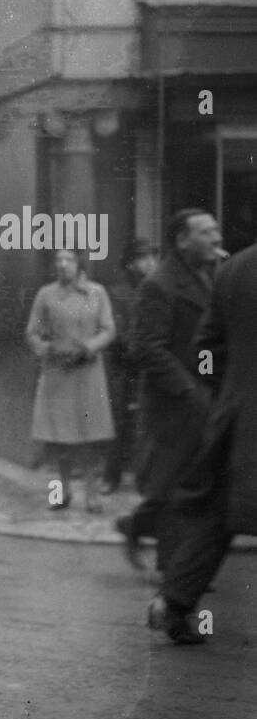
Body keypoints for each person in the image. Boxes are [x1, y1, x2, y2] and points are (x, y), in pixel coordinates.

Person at [148, 236, 257, 644]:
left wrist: (229, 389)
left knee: (216, 517)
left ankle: (172, 603)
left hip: (236, 419)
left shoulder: (234, 268)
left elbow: (205, 347)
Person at [115, 211, 222, 569]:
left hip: (201, 401)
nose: (217, 238)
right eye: (206, 232)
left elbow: (205, 342)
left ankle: (140, 531)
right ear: (181, 240)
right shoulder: (159, 285)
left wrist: (212, 377)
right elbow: (146, 347)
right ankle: (173, 577)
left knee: (184, 486)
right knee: (173, 488)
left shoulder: (207, 278)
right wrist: (190, 389)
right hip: (172, 409)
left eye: (216, 231)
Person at [25, 249, 116, 513]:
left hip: (87, 372)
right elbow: (31, 333)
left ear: (80, 263)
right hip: (57, 373)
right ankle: (60, 493)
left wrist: (89, 347)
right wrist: (45, 348)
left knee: (89, 437)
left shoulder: (97, 293)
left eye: (69, 260)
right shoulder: (46, 294)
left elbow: (109, 329)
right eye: (58, 261)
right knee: (58, 438)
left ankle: (92, 495)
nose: (63, 265)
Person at [102, 238, 158, 494]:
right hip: (123, 368)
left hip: (147, 366)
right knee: (119, 422)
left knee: (148, 423)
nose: (151, 263)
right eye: (144, 258)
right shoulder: (117, 292)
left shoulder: (156, 290)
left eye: (153, 257)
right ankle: (110, 477)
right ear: (131, 263)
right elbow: (119, 333)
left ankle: (145, 478)